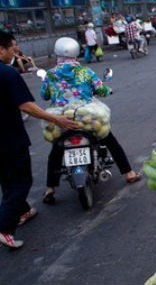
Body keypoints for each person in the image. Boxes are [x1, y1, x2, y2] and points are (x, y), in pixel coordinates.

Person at [40, 37, 142, 205]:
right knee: (110, 141)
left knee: (56, 151)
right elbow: (101, 89)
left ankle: (50, 188)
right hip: (87, 117)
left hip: (62, 118)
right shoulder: (85, 72)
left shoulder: (50, 74)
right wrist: (107, 90)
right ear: (75, 52)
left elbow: (44, 95)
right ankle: (129, 173)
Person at [0, 30, 78, 249]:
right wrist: (56, 119)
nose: (14, 52)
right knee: (20, 181)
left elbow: (44, 93)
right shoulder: (7, 74)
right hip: (9, 138)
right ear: (1, 49)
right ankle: (5, 228)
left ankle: (22, 210)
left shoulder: (50, 74)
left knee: (7, 179)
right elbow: (26, 106)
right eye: (12, 48)